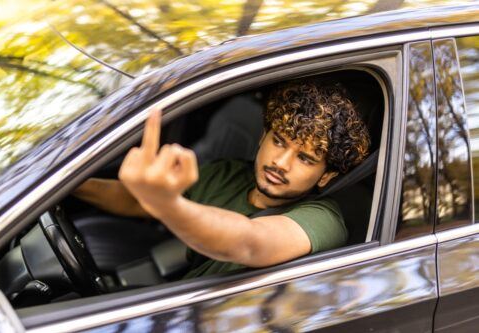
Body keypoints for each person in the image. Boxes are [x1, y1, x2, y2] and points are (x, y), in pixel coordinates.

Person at [74, 80, 371, 278]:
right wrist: (72, 184)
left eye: (305, 158)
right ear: (262, 136)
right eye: (279, 141)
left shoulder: (323, 220)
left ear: (326, 175)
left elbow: (250, 242)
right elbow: (136, 201)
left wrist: (167, 204)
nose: (281, 163)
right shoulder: (226, 173)